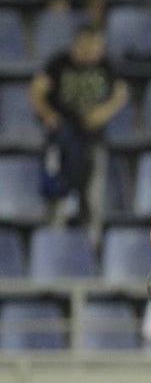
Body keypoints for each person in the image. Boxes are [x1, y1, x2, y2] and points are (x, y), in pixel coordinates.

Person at [28, 22, 129, 240]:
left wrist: (102, 113)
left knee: (92, 198)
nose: (92, 51)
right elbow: (37, 90)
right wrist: (49, 116)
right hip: (62, 140)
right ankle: (54, 243)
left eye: (95, 46)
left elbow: (121, 93)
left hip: (93, 139)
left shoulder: (106, 65)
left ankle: (90, 246)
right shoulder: (59, 63)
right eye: (87, 46)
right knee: (57, 193)